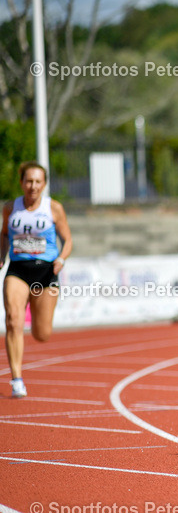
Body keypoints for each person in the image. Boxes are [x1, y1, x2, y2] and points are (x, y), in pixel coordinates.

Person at [1, 162, 73, 398]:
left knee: (42, 334)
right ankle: (17, 379)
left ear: (44, 184)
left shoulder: (54, 208)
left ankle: (36, 313)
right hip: (18, 270)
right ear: (21, 182)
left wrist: (61, 259)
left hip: (46, 272)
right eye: (29, 181)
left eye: (37, 182)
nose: (33, 186)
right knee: (13, 320)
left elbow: (68, 240)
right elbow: (4, 234)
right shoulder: (10, 208)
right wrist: (1, 256)